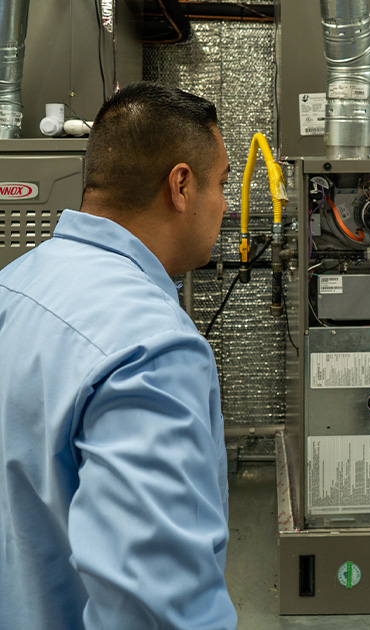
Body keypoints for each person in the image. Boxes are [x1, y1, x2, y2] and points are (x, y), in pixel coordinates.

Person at [0, 82, 236, 629]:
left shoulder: (14, 285)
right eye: (223, 184)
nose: (226, 205)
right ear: (181, 185)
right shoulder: (151, 347)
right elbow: (153, 609)